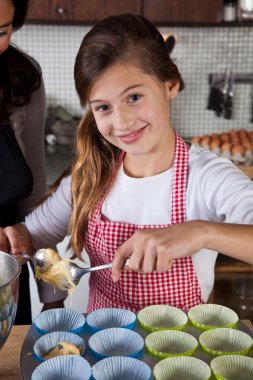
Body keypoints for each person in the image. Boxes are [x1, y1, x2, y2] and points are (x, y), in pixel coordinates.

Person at [1, 13, 253, 314]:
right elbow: (33, 237)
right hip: (102, 353)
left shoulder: (207, 177)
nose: (121, 122)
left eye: (134, 97)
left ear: (170, 85)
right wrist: (21, 252)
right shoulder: (91, 177)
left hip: (179, 356)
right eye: (104, 107)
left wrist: (201, 232)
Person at [0, 0, 65, 323]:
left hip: (6, 282)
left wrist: (54, 295)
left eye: (1, 31)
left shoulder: (22, 81)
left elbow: (35, 200)